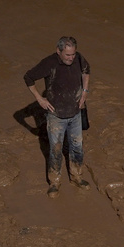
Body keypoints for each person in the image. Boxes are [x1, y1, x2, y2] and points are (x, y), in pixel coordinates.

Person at [23, 36, 91, 197]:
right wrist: (40, 99)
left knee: (77, 148)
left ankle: (77, 177)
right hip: (56, 116)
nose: (71, 58)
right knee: (56, 150)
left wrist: (85, 92)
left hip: (75, 113)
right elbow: (28, 77)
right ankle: (54, 182)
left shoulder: (79, 58)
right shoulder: (49, 63)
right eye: (67, 55)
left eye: (73, 54)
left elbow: (86, 71)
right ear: (58, 51)